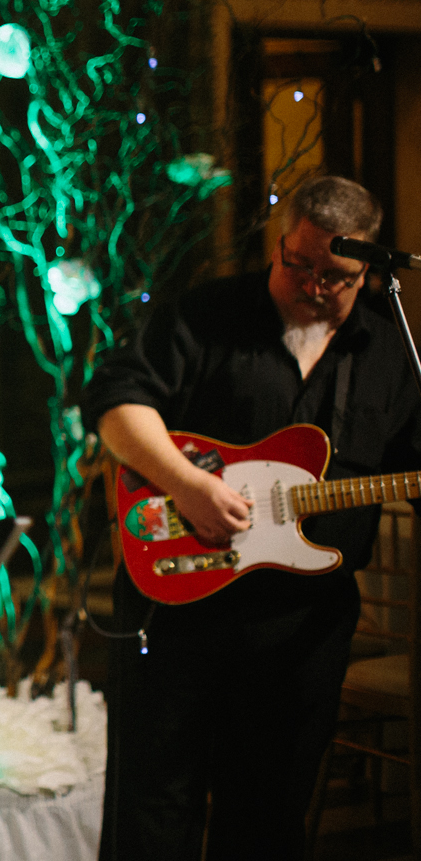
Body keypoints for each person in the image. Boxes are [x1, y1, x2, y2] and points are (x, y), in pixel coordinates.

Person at [84, 175, 421, 860]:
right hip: (181, 608)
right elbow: (116, 401)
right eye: (298, 263)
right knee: (153, 808)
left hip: (303, 626)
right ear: (280, 243)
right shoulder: (208, 314)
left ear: (365, 272)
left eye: (334, 275)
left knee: (269, 815)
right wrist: (186, 484)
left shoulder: (387, 354)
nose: (312, 284)